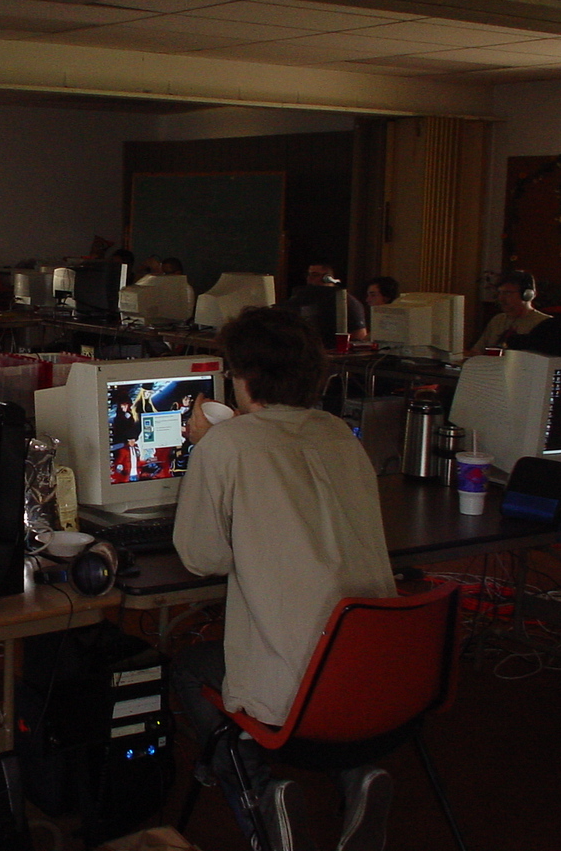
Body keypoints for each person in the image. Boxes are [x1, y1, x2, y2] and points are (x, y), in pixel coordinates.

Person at [171, 307, 397, 851]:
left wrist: (205, 446)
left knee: (188, 670)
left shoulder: (226, 445)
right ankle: (357, 776)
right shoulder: (340, 433)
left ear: (242, 377)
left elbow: (201, 557)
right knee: (327, 669)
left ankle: (265, 801)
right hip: (382, 676)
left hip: (300, 692)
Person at [467, 270, 549, 355]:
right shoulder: (498, 320)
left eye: (508, 293)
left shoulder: (544, 324)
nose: (501, 298)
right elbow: (476, 351)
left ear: (527, 295)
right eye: (500, 293)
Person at [283, 261, 368, 343]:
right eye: (308, 275)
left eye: (315, 275)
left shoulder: (346, 301)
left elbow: (359, 335)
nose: (309, 278)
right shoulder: (303, 298)